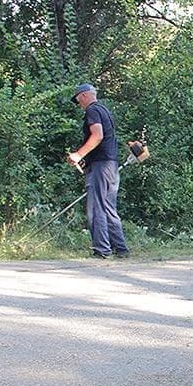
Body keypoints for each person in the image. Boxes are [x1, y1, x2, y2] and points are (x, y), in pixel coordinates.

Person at [67, 83, 129, 259]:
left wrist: (78, 155)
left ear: (85, 95)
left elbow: (98, 135)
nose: (79, 104)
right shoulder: (105, 111)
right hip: (111, 165)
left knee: (96, 207)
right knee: (109, 207)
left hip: (100, 167)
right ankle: (121, 249)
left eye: (78, 100)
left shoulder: (92, 111)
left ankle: (102, 250)